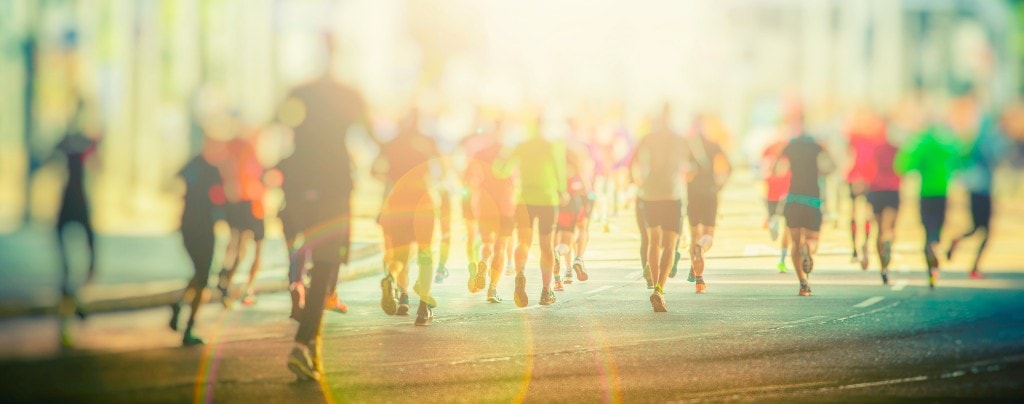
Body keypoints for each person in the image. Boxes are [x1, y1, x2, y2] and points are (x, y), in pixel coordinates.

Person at [279, 34, 378, 381]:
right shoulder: (350, 94)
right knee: (324, 268)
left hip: (297, 185)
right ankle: (303, 344)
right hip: (334, 188)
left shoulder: (300, 91)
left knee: (300, 250)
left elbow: (280, 122)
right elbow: (371, 133)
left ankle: (312, 346)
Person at [376, 109, 445, 326]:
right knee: (425, 253)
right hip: (422, 201)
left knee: (400, 256)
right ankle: (423, 307)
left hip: (397, 201)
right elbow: (442, 169)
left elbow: (374, 170)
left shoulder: (392, 143)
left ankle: (397, 289)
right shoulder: (428, 141)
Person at [496, 114, 568, 308]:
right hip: (547, 199)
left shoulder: (520, 146)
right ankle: (546, 291)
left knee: (523, 242)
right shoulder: (550, 146)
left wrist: (503, 156)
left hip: (525, 199)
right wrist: (562, 191)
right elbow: (559, 172)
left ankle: (520, 274)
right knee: (546, 246)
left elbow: (501, 171)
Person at [52, 100, 100, 347]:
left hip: (70, 199)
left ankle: (74, 299)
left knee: (72, 264)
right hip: (77, 199)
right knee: (88, 257)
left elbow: (51, 157)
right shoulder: (84, 141)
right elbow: (98, 160)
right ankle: (75, 300)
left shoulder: (70, 141)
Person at [631, 107, 689, 311]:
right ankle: (659, 289)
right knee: (670, 245)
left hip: (650, 195)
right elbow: (692, 165)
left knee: (653, 241)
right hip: (672, 195)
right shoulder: (679, 139)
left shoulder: (647, 138)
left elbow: (633, 162)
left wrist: (639, 181)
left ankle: (655, 284)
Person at [895, 120, 962, 289]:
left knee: (927, 231)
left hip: (925, 194)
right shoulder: (944, 145)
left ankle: (930, 271)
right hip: (942, 192)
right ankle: (935, 248)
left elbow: (905, 166)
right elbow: (958, 159)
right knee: (938, 229)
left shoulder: (922, 145)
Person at [170, 139, 223, 346]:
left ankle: (179, 304)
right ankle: (189, 328)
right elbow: (221, 199)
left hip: (187, 225)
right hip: (205, 228)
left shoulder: (193, 164)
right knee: (203, 279)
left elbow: (176, 178)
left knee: (199, 274)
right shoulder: (215, 171)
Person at [776, 120, 835, 297]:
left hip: (793, 199)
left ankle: (803, 283)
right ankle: (808, 247)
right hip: (812, 200)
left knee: (795, 243)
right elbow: (831, 167)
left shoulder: (789, 147)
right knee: (812, 239)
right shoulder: (818, 147)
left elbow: (777, 169)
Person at [946, 112, 1009, 278]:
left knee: (976, 228)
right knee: (985, 231)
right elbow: (995, 158)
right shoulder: (986, 141)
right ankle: (974, 268)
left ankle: (958, 241)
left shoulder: (973, 142)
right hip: (983, 191)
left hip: (974, 189)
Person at [465, 120, 517, 302]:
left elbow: (469, 178)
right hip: (505, 206)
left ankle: (483, 261)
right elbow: (515, 179)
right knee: (500, 247)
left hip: (485, 205)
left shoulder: (479, 153)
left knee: (487, 242)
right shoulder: (510, 153)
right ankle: (492, 290)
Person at [215, 126, 267, 307]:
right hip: (249, 205)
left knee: (242, 248)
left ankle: (230, 284)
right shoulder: (245, 149)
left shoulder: (235, 149)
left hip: (247, 205)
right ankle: (236, 286)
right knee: (248, 250)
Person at [682, 116, 731, 293]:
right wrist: (719, 186)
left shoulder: (687, 146)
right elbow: (729, 167)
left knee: (694, 233)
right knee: (708, 235)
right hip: (710, 193)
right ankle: (701, 249)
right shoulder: (714, 144)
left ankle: (698, 278)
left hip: (693, 194)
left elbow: (681, 169)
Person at [844, 110, 883, 269]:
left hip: (855, 176)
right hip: (869, 177)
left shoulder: (853, 134)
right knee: (866, 214)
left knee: (855, 214)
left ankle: (855, 249)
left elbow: (849, 154)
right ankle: (863, 245)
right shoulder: (876, 134)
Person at [866, 122, 902, 285]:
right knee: (890, 228)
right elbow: (903, 168)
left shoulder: (875, 148)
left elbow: (868, 168)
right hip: (893, 190)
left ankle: (883, 268)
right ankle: (888, 239)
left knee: (878, 229)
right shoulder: (897, 149)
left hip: (876, 190)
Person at [553, 138, 592, 291]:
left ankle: (566, 271)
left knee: (560, 236)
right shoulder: (577, 166)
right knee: (581, 230)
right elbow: (586, 187)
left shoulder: (556, 167)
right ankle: (578, 258)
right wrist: (590, 197)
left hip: (557, 204)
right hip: (575, 202)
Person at [761, 136, 791, 272]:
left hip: (772, 197)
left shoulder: (771, 159)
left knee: (777, 221)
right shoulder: (787, 160)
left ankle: (772, 221)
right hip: (784, 196)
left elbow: (765, 179)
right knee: (787, 229)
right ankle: (782, 261)